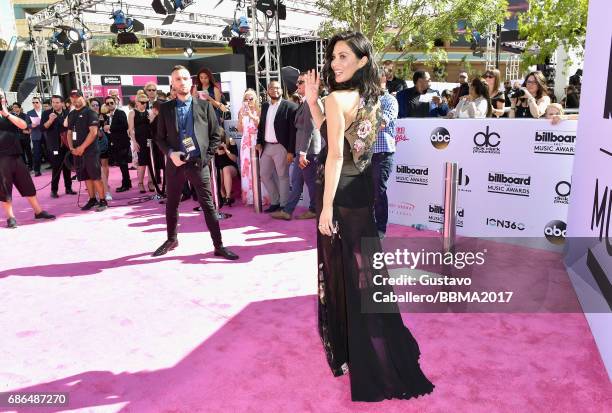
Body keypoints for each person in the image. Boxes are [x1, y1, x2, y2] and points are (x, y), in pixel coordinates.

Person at [304, 31, 434, 402]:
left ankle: (354, 353)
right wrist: (313, 103)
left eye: (344, 56)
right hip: (360, 192)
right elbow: (337, 137)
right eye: (333, 57)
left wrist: (325, 206)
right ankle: (370, 347)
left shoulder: (337, 97)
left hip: (340, 196)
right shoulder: (375, 98)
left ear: (362, 60)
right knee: (365, 275)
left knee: (343, 273)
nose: (334, 63)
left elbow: (333, 156)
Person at [152, 65, 238, 260]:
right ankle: (171, 239)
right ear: (172, 84)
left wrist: (206, 158)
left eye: (185, 78)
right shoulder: (165, 109)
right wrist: (171, 153)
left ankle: (218, 245)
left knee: (208, 205)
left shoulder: (205, 106)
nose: (182, 82)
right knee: (172, 203)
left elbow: (216, 134)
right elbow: (159, 138)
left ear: (191, 82)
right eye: (177, 79)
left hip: (199, 163)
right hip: (175, 163)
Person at [0, 89, 55, 228]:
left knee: (27, 184)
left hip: (17, 156)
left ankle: (38, 211)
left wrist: (6, 114)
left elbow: (24, 125)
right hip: (1, 158)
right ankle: (10, 217)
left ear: (4, 100)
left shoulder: (10, 115)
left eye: (1, 96)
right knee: (4, 189)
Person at [271, 72, 322, 221]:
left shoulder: (311, 102)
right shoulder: (305, 102)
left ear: (309, 84)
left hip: (309, 151)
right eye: (298, 82)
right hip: (303, 150)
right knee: (297, 181)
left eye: (300, 82)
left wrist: (303, 153)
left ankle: (314, 209)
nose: (297, 85)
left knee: (311, 183)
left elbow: (308, 129)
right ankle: (287, 211)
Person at [255, 81, 298, 213]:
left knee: (283, 176)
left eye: (278, 88)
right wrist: (259, 141)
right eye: (272, 88)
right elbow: (261, 127)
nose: (275, 90)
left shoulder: (290, 106)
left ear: (281, 90)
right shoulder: (265, 106)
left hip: (281, 147)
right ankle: (275, 201)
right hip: (267, 146)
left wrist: (291, 151)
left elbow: (293, 131)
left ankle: (284, 206)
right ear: (268, 90)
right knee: (264, 174)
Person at [66, 90, 107, 212]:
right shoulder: (71, 114)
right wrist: (72, 148)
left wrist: (82, 147)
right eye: (72, 97)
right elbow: (69, 133)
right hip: (77, 152)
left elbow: (93, 132)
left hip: (90, 151)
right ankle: (92, 199)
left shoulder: (90, 113)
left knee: (95, 176)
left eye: (77, 97)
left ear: (82, 97)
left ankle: (103, 200)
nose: (74, 99)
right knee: (85, 177)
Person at [372, 67, 398, 238]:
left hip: (382, 153)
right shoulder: (364, 99)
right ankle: (367, 225)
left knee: (378, 192)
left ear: (383, 79)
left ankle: (380, 228)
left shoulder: (390, 100)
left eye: (375, 77)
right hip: (365, 154)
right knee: (365, 193)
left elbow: (382, 122)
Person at [42, 95, 75, 198]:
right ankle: (54, 190)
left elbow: (72, 128)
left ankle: (68, 188)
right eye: (53, 102)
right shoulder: (47, 113)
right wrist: (50, 120)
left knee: (67, 167)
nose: (55, 104)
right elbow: (42, 128)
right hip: (54, 146)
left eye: (57, 102)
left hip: (67, 144)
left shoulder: (67, 113)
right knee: (56, 168)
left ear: (62, 103)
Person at [236, 88, 261, 205]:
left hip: (256, 141)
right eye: (246, 99)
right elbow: (240, 130)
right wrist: (241, 117)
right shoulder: (241, 111)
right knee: (247, 170)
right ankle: (249, 197)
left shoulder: (259, 110)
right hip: (245, 142)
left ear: (255, 99)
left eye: (251, 98)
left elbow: (260, 125)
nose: (249, 100)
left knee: (257, 168)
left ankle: (260, 196)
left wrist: (251, 115)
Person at [104, 95, 132, 191]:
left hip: (122, 143)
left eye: (111, 103)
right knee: (121, 164)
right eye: (108, 103)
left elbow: (124, 126)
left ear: (115, 103)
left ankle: (126, 184)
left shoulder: (120, 113)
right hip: (114, 143)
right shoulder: (107, 116)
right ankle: (127, 183)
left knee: (123, 164)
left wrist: (110, 128)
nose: (110, 105)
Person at [129, 92, 155, 193]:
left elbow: (152, 127)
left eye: (146, 102)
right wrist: (134, 142)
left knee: (150, 162)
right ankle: (140, 183)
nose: (144, 104)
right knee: (142, 162)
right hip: (139, 140)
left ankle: (150, 181)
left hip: (150, 140)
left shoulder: (149, 112)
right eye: (142, 102)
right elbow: (131, 129)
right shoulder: (132, 113)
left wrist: (152, 119)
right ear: (137, 102)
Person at [90, 98, 112, 201]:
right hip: (91, 145)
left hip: (103, 144)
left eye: (97, 105)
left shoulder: (104, 116)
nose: (95, 107)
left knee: (104, 166)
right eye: (93, 105)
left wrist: (104, 128)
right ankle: (101, 190)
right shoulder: (88, 117)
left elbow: (105, 130)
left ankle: (105, 186)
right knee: (96, 169)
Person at [214, 128, 238, 206]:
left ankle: (228, 196)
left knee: (225, 169)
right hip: (219, 169)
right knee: (218, 171)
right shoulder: (213, 144)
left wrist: (226, 149)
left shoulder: (230, 141)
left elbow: (234, 159)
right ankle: (223, 196)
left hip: (231, 168)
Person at [26, 97, 45, 176]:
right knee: (37, 153)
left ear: (40, 102)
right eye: (33, 102)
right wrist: (31, 125)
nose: (35, 104)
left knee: (50, 151)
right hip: (36, 135)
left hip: (46, 134)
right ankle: (37, 170)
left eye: (36, 102)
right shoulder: (29, 113)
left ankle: (55, 167)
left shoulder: (45, 111)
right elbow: (26, 124)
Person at [11, 103, 32, 171]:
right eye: (13, 107)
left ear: (20, 108)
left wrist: (28, 131)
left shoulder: (25, 115)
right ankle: (23, 166)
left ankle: (30, 165)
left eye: (16, 107)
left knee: (28, 151)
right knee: (21, 152)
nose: (15, 109)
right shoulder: (11, 116)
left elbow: (29, 125)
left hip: (25, 136)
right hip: (16, 137)